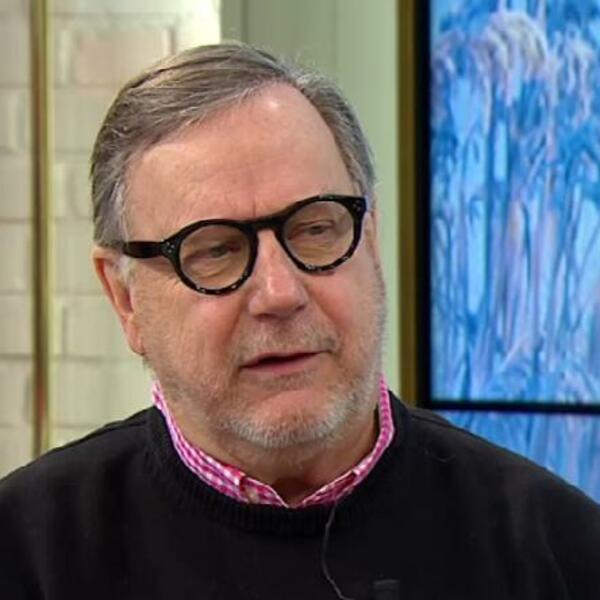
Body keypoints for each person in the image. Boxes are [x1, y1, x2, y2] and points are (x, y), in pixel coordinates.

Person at [0, 42, 599, 600]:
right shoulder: (28, 554)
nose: (280, 294)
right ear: (125, 298)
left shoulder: (557, 549)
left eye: (315, 229)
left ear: (370, 243)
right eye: (215, 250)